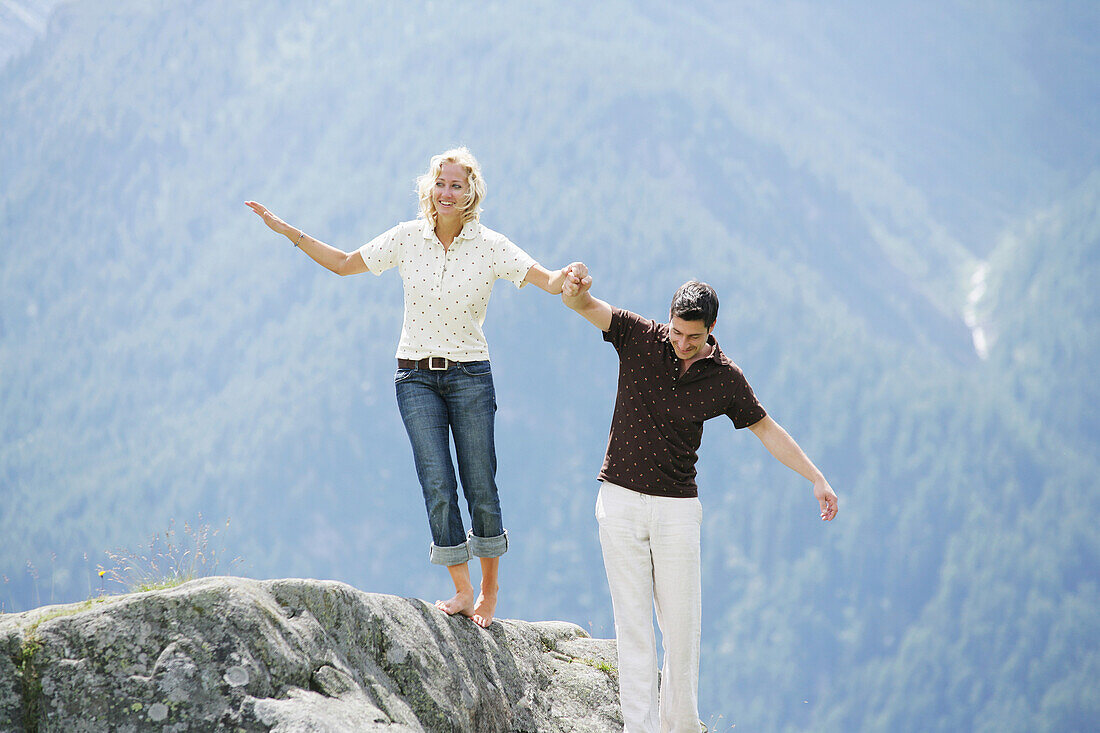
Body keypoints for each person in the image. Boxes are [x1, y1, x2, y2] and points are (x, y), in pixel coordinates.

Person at [246, 147, 585, 628]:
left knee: (480, 482)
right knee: (437, 483)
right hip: (415, 377)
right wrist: (288, 233)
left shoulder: (491, 246)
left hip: (470, 375)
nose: (447, 193)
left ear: (471, 194)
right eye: (441, 184)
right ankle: (462, 590)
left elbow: (546, 279)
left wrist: (569, 277)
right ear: (430, 188)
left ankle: (490, 590)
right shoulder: (407, 239)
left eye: (457, 186)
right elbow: (344, 263)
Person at [560, 274, 839, 732]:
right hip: (620, 501)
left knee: (683, 630)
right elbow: (588, 306)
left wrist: (816, 477)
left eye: (694, 336)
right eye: (676, 332)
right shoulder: (638, 335)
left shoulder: (726, 378)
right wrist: (574, 290)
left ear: (711, 328)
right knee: (634, 628)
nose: (682, 343)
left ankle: (682, 725)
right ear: (667, 319)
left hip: (677, 510)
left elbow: (765, 428)